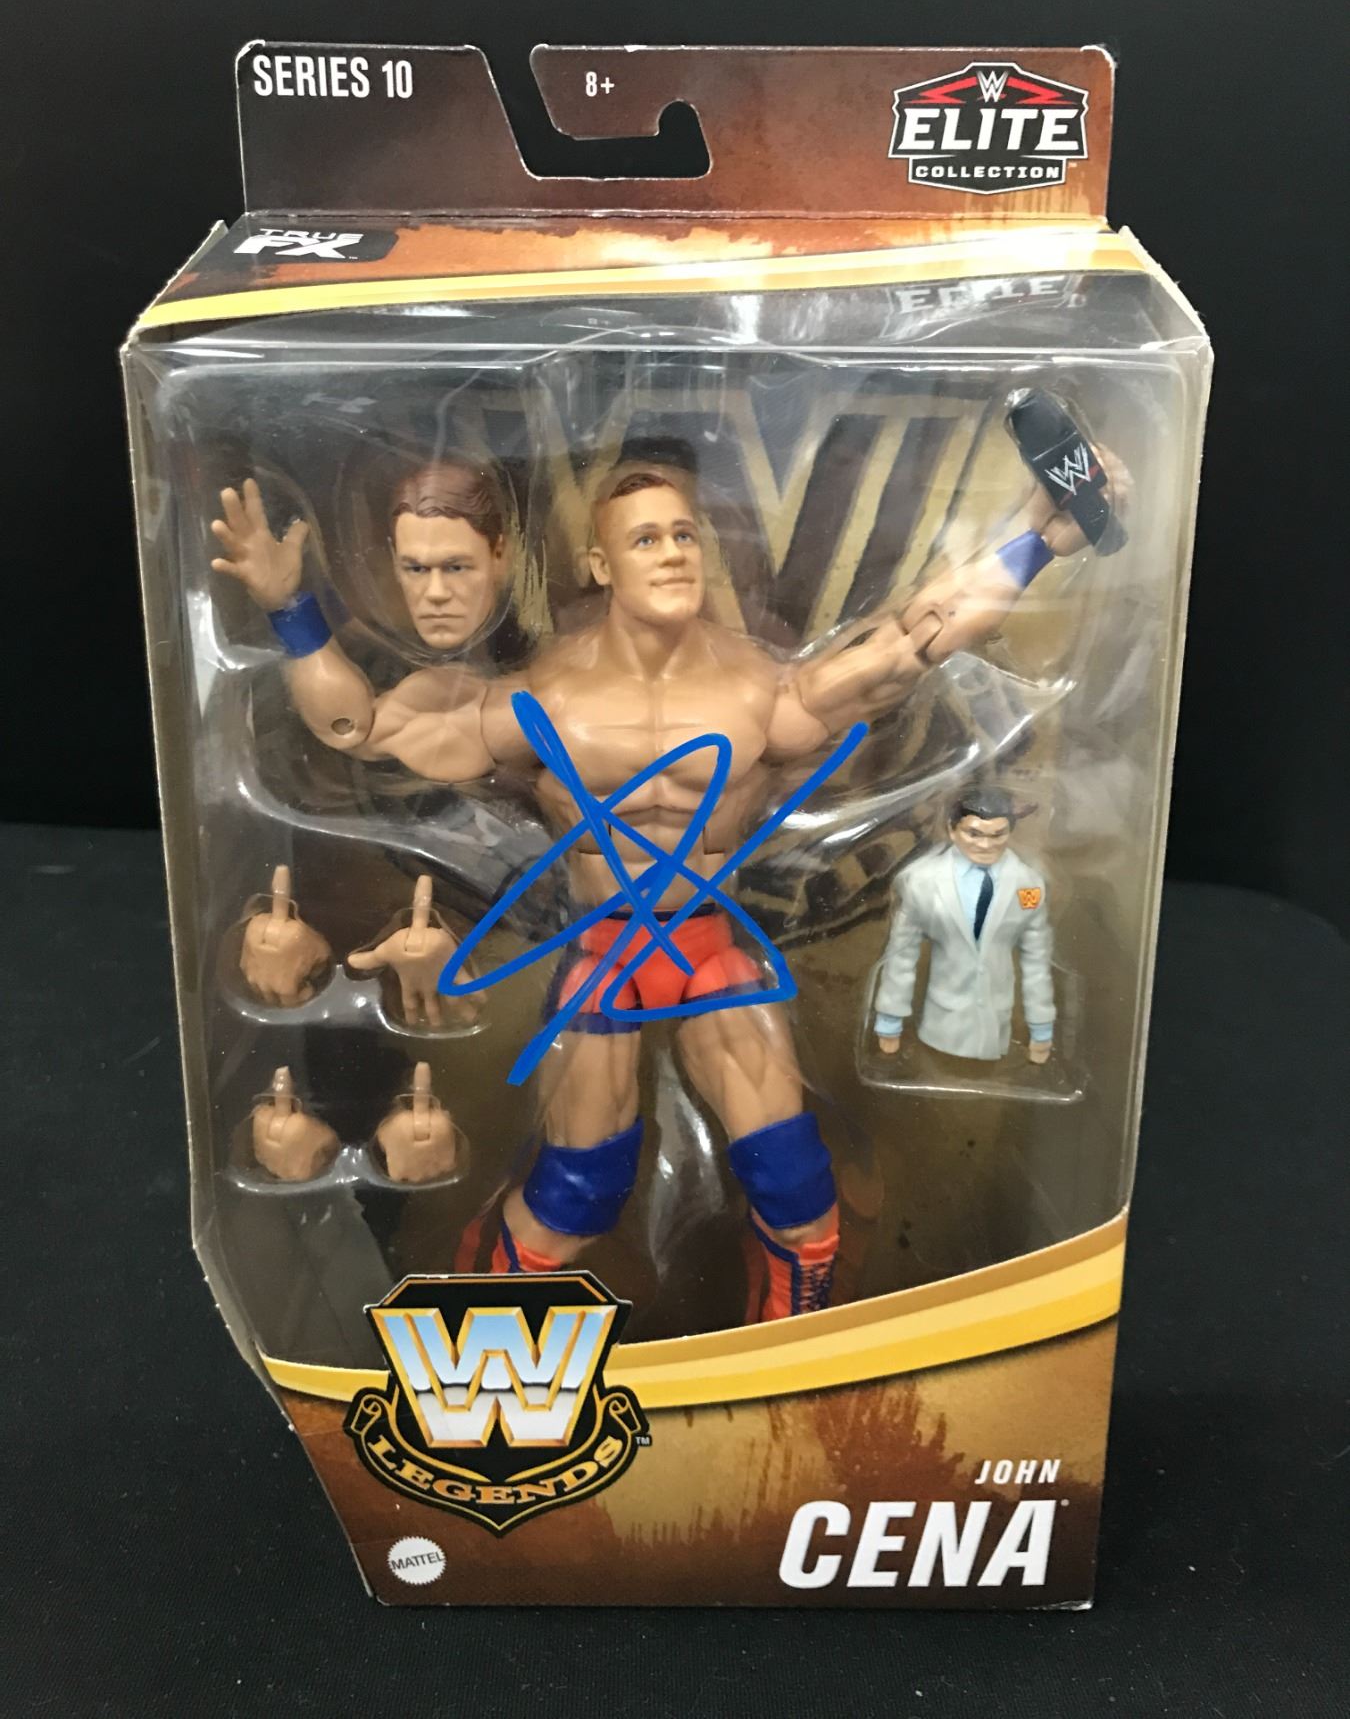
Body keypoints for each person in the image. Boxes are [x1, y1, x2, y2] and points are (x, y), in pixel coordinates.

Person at [211, 437, 1124, 1317]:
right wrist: (292, 611)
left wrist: (1038, 540)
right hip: (606, 956)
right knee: (575, 1197)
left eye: (684, 533)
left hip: (709, 951)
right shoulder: (540, 698)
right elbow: (358, 729)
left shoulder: (757, 691)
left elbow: (916, 640)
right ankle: (478, 1342)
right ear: (599, 565)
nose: (674, 552)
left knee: (800, 1195)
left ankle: (790, 1365)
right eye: (645, 538)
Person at [872, 787, 1056, 1064]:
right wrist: (889, 1020)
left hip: (997, 1020)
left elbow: (1037, 961)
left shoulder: (1028, 883)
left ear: (1010, 832)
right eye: (974, 833)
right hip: (941, 1020)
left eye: (998, 835)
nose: (985, 845)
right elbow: (901, 954)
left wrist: (1041, 1028)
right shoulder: (922, 881)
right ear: (952, 829)